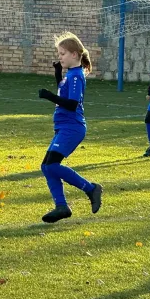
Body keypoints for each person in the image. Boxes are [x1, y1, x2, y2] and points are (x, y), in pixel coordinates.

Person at [37, 32, 103, 223]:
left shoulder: (76, 76)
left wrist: (49, 96)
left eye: (63, 53)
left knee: (51, 165)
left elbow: (72, 104)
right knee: (46, 166)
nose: (60, 57)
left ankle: (91, 189)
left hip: (72, 127)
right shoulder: (71, 75)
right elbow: (64, 92)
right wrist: (58, 74)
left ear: (74, 54)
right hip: (64, 127)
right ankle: (62, 206)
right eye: (59, 54)